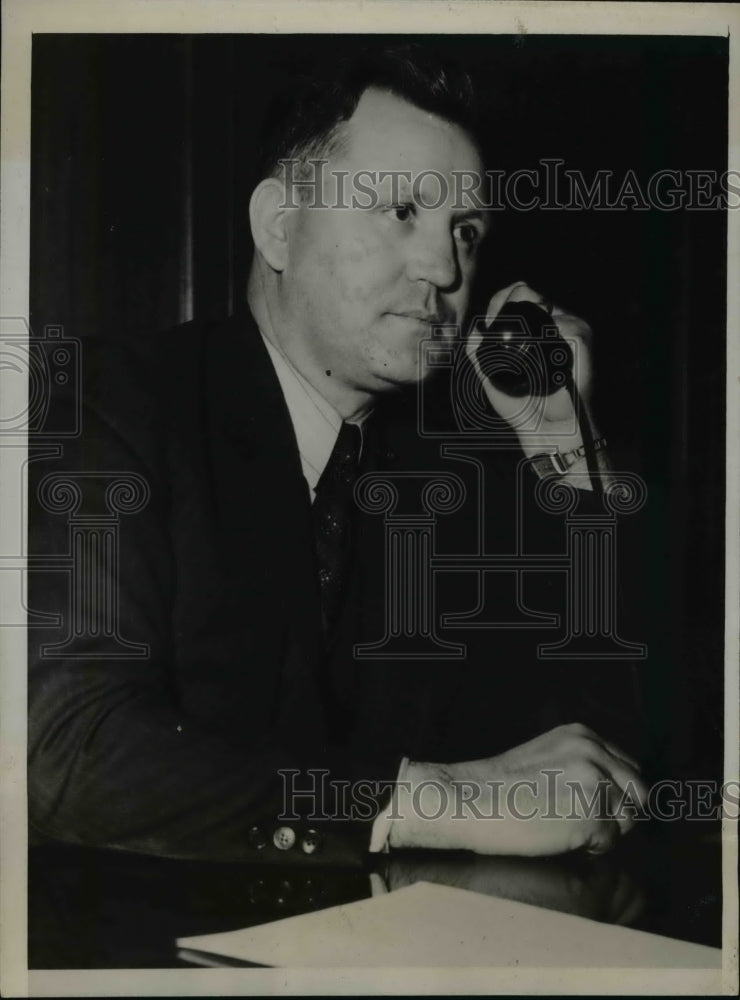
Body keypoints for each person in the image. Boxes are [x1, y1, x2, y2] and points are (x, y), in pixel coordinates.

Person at [28, 43, 646, 867]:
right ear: (279, 227)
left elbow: (602, 762)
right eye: (400, 212)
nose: (445, 268)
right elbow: (65, 754)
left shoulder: (443, 472)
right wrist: (437, 798)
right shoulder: (110, 408)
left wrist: (558, 439)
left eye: (465, 229)